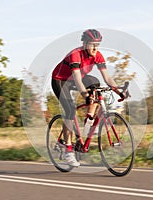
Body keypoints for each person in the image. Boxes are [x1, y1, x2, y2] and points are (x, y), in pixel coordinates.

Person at [51, 29, 126, 167]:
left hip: (78, 79)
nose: (95, 48)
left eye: (97, 45)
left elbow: (107, 78)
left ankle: (89, 119)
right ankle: (68, 150)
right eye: (92, 44)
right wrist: (85, 95)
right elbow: (78, 80)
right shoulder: (76, 55)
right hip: (61, 80)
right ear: (84, 43)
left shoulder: (98, 56)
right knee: (70, 111)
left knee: (96, 84)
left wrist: (118, 92)